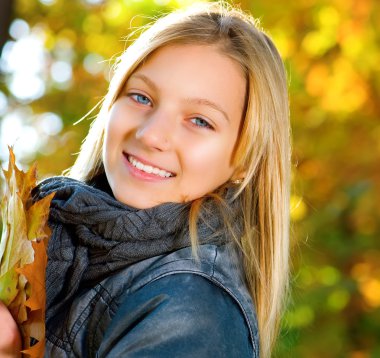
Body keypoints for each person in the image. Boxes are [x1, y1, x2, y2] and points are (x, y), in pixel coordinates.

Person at [0, 2, 290, 357]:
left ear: (245, 159)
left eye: (200, 120)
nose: (152, 134)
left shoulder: (193, 309)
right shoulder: (44, 233)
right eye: (141, 97)